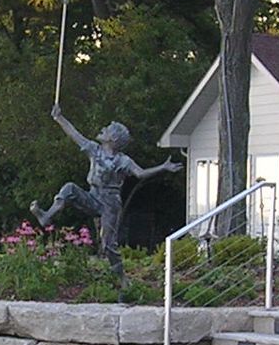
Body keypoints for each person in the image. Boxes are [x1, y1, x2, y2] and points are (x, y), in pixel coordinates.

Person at [30, 105, 180, 279]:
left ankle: (121, 279)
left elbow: (140, 173)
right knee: (69, 188)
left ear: (113, 138)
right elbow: (74, 134)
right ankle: (47, 216)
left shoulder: (122, 160)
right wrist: (59, 118)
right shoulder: (95, 150)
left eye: (107, 129)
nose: (102, 129)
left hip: (110, 203)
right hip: (93, 196)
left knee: (108, 244)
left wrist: (163, 167)